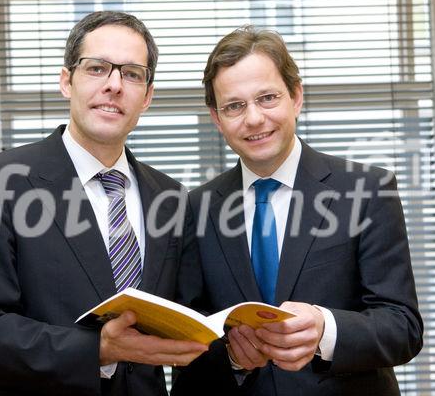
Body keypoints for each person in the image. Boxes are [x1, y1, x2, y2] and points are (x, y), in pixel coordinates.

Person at [0, 11, 207, 396]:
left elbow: (187, 318)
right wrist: (98, 349)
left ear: (148, 97)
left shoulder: (170, 197)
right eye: (97, 68)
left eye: (132, 74)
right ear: (66, 81)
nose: (114, 85)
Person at [172, 26, 423, 396]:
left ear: (296, 96)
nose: (254, 118)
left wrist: (326, 328)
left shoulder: (367, 190)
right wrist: (233, 359)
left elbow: (402, 327)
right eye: (234, 106)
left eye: (267, 97)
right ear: (216, 118)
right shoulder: (196, 207)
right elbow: (187, 341)